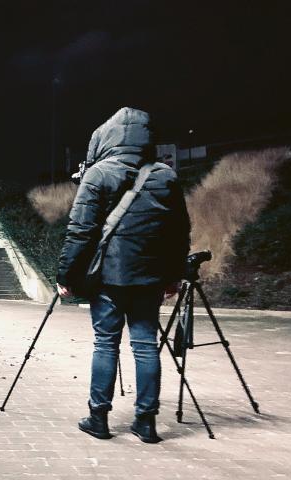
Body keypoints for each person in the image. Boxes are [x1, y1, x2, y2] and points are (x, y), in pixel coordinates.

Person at [56, 107, 190, 443]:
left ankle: (98, 418)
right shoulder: (165, 175)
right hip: (150, 277)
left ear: (107, 137)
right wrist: (174, 275)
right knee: (146, 345)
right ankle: (146, 422)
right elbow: (178, 233)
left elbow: (80, 230)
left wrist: (66, 276)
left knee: (106, 343)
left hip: (108, 278)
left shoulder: (98, 174)